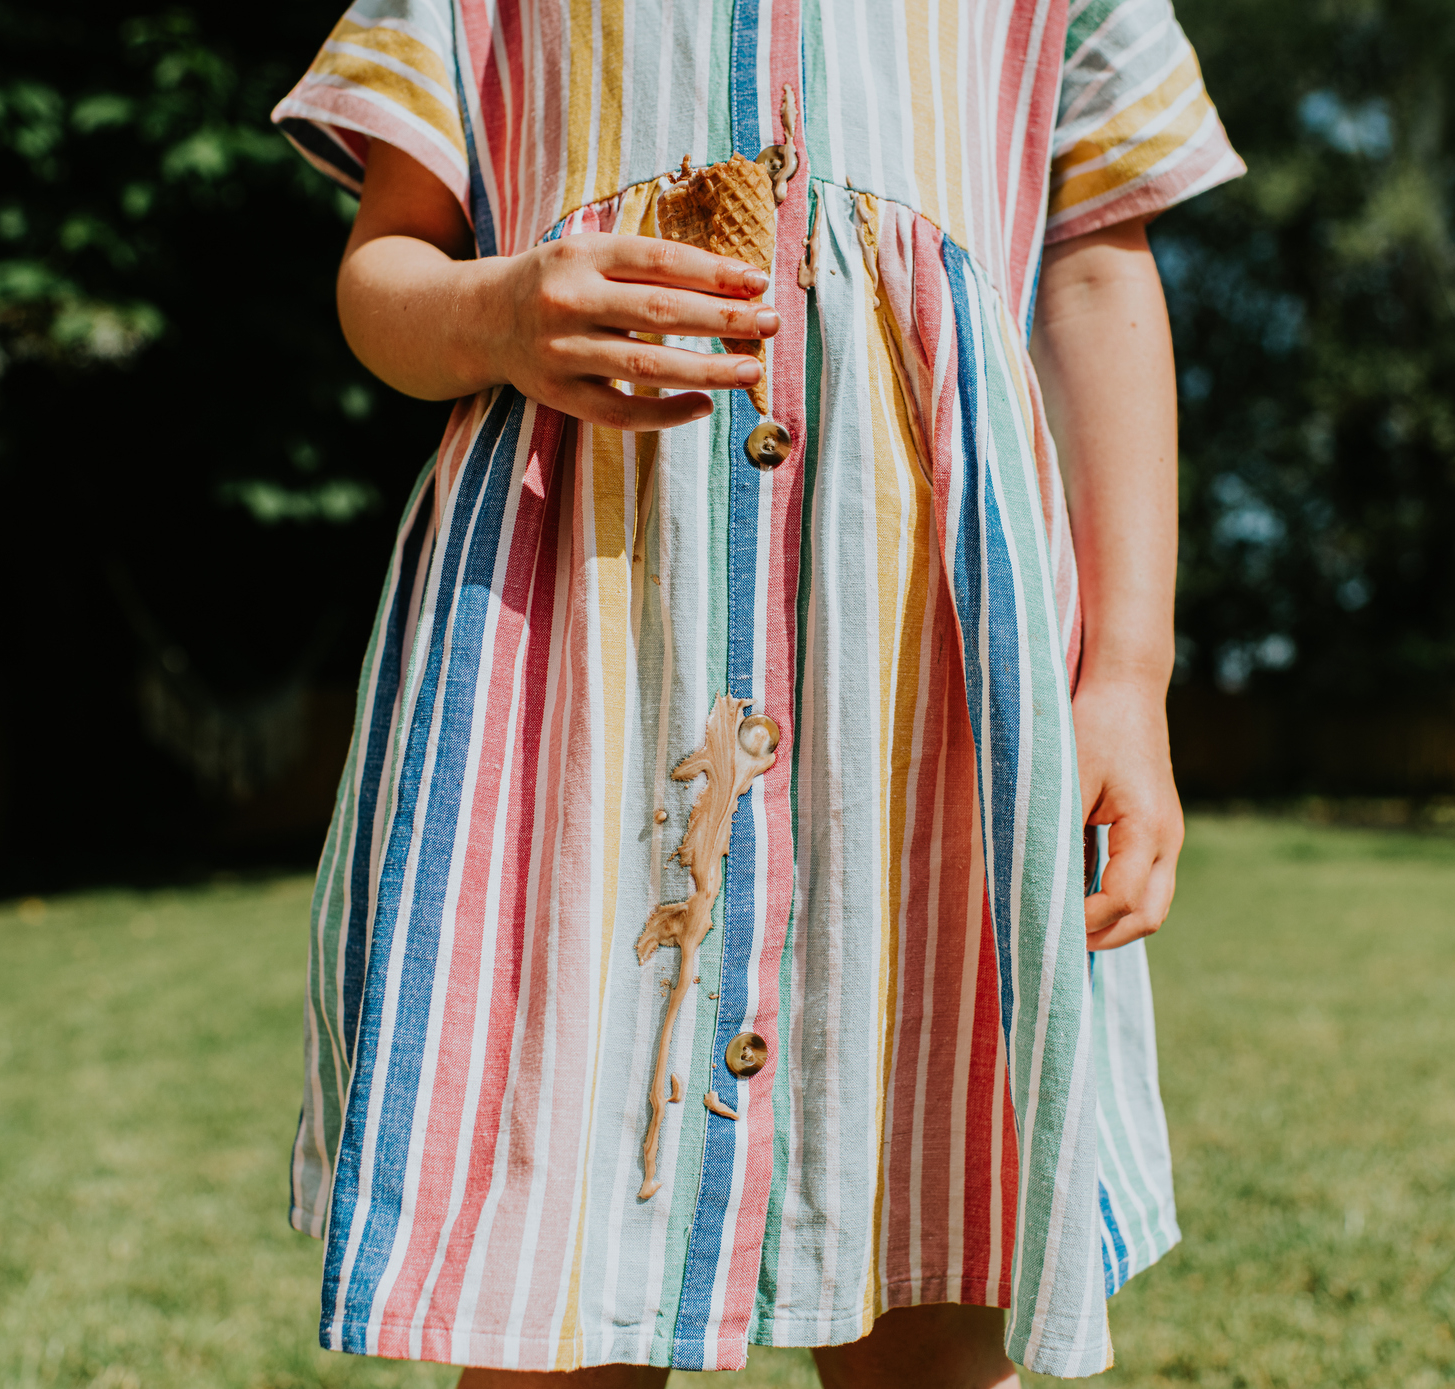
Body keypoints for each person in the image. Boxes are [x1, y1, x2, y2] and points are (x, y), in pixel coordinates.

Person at [270, 2, 1242, 1383]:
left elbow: (1097, 270)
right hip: (584, 670)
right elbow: (384, 268)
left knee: (932, 1247)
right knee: (557, 1274)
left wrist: (1128, 678)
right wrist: (493, 310)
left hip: (924, 672)